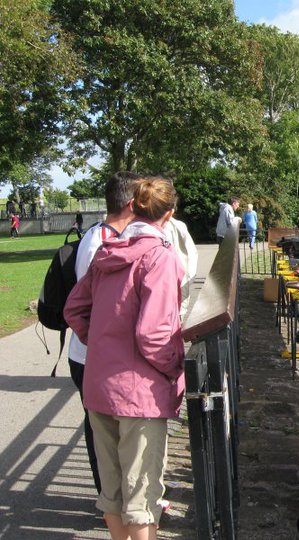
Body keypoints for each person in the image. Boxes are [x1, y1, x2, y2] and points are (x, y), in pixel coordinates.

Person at [64, 176, 185, 540]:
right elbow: (153, 334)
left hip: (101, 385)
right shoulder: (160, 257)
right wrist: (174, 368)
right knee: (144, 496)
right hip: (141, 394)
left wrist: (102, 344)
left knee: (113, 493)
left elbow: (74, 309)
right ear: (170, 214)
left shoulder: (106, 251)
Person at [68, 171, 140, 494]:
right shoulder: (101, 243)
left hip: (92, 352)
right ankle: (107, 497)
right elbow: (90, 306)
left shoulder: (101, 235)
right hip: (89, 355)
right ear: (130, 203)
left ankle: (112, 496)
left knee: (105, 426)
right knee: (100, 429)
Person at [164, 215, 198, 319]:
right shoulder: (177, 226)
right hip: (175, 286)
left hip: (173, 286)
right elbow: (191, 256)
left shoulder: (175, 227)